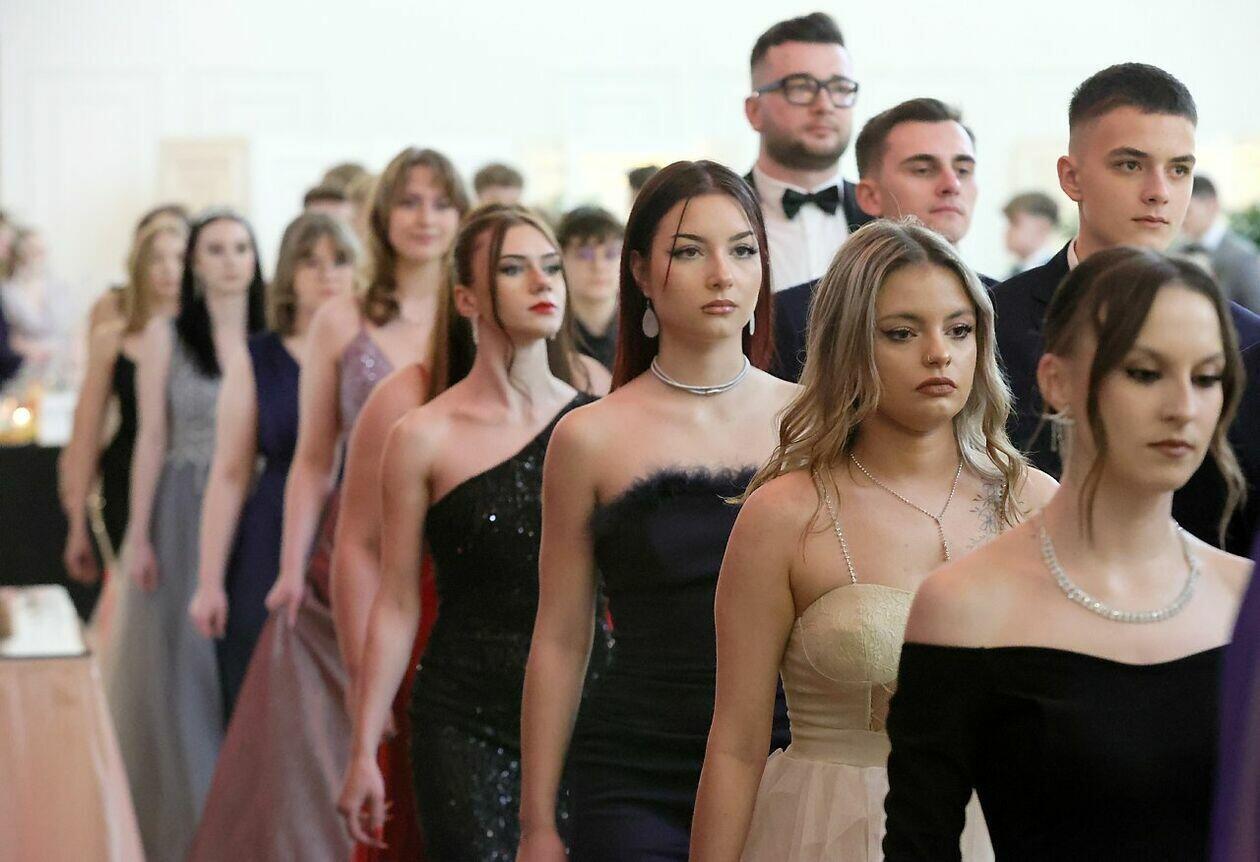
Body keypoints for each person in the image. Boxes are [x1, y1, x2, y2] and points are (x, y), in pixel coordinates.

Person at [691, 219, 1056, 861]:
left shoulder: (1033, 502)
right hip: (830, 830)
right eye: (902, 333)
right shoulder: (785, 514)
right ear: (849, 346)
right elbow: (737, 744)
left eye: (959, 329)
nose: (939, 353)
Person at [883, 246, 1252, 860]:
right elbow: (920, 844)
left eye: (1207, 377)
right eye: (1144, 372)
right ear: (1056, 381)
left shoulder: (1245, 600)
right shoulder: (964, 606)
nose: (1183, 408)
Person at [188, 148, 467, 862]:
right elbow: (313, 459)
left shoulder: (472, 311)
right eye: (409, 202)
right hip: (361, 542)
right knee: (365, 716)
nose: (426, 218)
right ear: (382, 216)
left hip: (462, 539)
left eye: (441, 203)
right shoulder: (341, 319)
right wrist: (290, 568)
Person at [516, 160, 793, 862]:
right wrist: (536, 822)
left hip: (785, 758)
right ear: (640, 271)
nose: (722, 275)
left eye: (742, 250)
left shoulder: (811, 422)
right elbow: (561, 636)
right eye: (689, 252)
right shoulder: (588, 437)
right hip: (634, 769)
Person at [338, 203, 609, 859]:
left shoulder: (597, 412)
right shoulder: (421, 434)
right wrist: (365, 745)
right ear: (466, 298)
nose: (542, 283)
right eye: (513, 269)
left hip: (590, 709)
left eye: (551, 267)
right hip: (463, 720)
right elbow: (396, 600)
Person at [992, 62, 1260, 554]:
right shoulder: (990, 325)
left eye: (1179, 169)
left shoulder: (1247, 341)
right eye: (1131, 165)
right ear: (1072, 177)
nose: (1159, 191)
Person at [102, 209, 266, 861]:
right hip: (181, 506)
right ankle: (194, 827)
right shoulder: (167, 334)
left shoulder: (271, 336)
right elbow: (150, 437)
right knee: (187, 671)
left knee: (250, 662)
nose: (230, 260)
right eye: (215, 249)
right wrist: (139, 535)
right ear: (195, 261)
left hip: (256, 508)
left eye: (241, 248)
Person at [188, 213, 358, 720]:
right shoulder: (259, 356)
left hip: (357, 528)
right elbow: (229, 473)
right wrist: (209, 581)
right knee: (262, 694)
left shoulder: (373, 349)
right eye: (310, 261)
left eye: (340, 260)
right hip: (271, 527)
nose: (327, 274)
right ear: (287, 273)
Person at [774, 98, 989, 382]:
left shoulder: (1009, 304)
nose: (952, 185)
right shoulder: (796, 315)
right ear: (869, 196)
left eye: (963, 170)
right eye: (923, 170)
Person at [59, 220, 185, 585]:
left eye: (178, 258)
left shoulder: (209, 343)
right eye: (156, 259)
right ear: (139, 268)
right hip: (125, 476)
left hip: (189, 477)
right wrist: (77, 522)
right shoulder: (112, 340)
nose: (168, 269)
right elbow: (87, 431)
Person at [744, 12, 870, 294]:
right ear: (754, 111)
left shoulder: (885, 215)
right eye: (801, 87)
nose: (824, 105)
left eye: (839, 88)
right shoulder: (720, 213)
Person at [1, 226, 76, 376]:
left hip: (61, 364)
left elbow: (73, 328)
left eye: (41, 250)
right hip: (24, 366)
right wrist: (32, 350)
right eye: (32, 250)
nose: (38, 255)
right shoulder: (8, 291)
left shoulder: (58, 286)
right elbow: (8, 336)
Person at [1178, 175, 1260, 312]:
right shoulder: (1176, 252)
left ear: (1212, 206)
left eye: (1188, 211)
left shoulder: (1244, 257)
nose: (1181, 219)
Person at [559, 206, 624, 370]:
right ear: (560, 260)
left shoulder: (647, 330)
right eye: (584, 255)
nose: (599, 266)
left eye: (611, 254)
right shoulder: (547, 333)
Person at [1002, 191, 1061, 276]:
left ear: (1042, 226)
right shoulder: (1013, 273)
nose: (1008, 231)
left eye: (1015, 223)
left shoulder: (1057, 274)